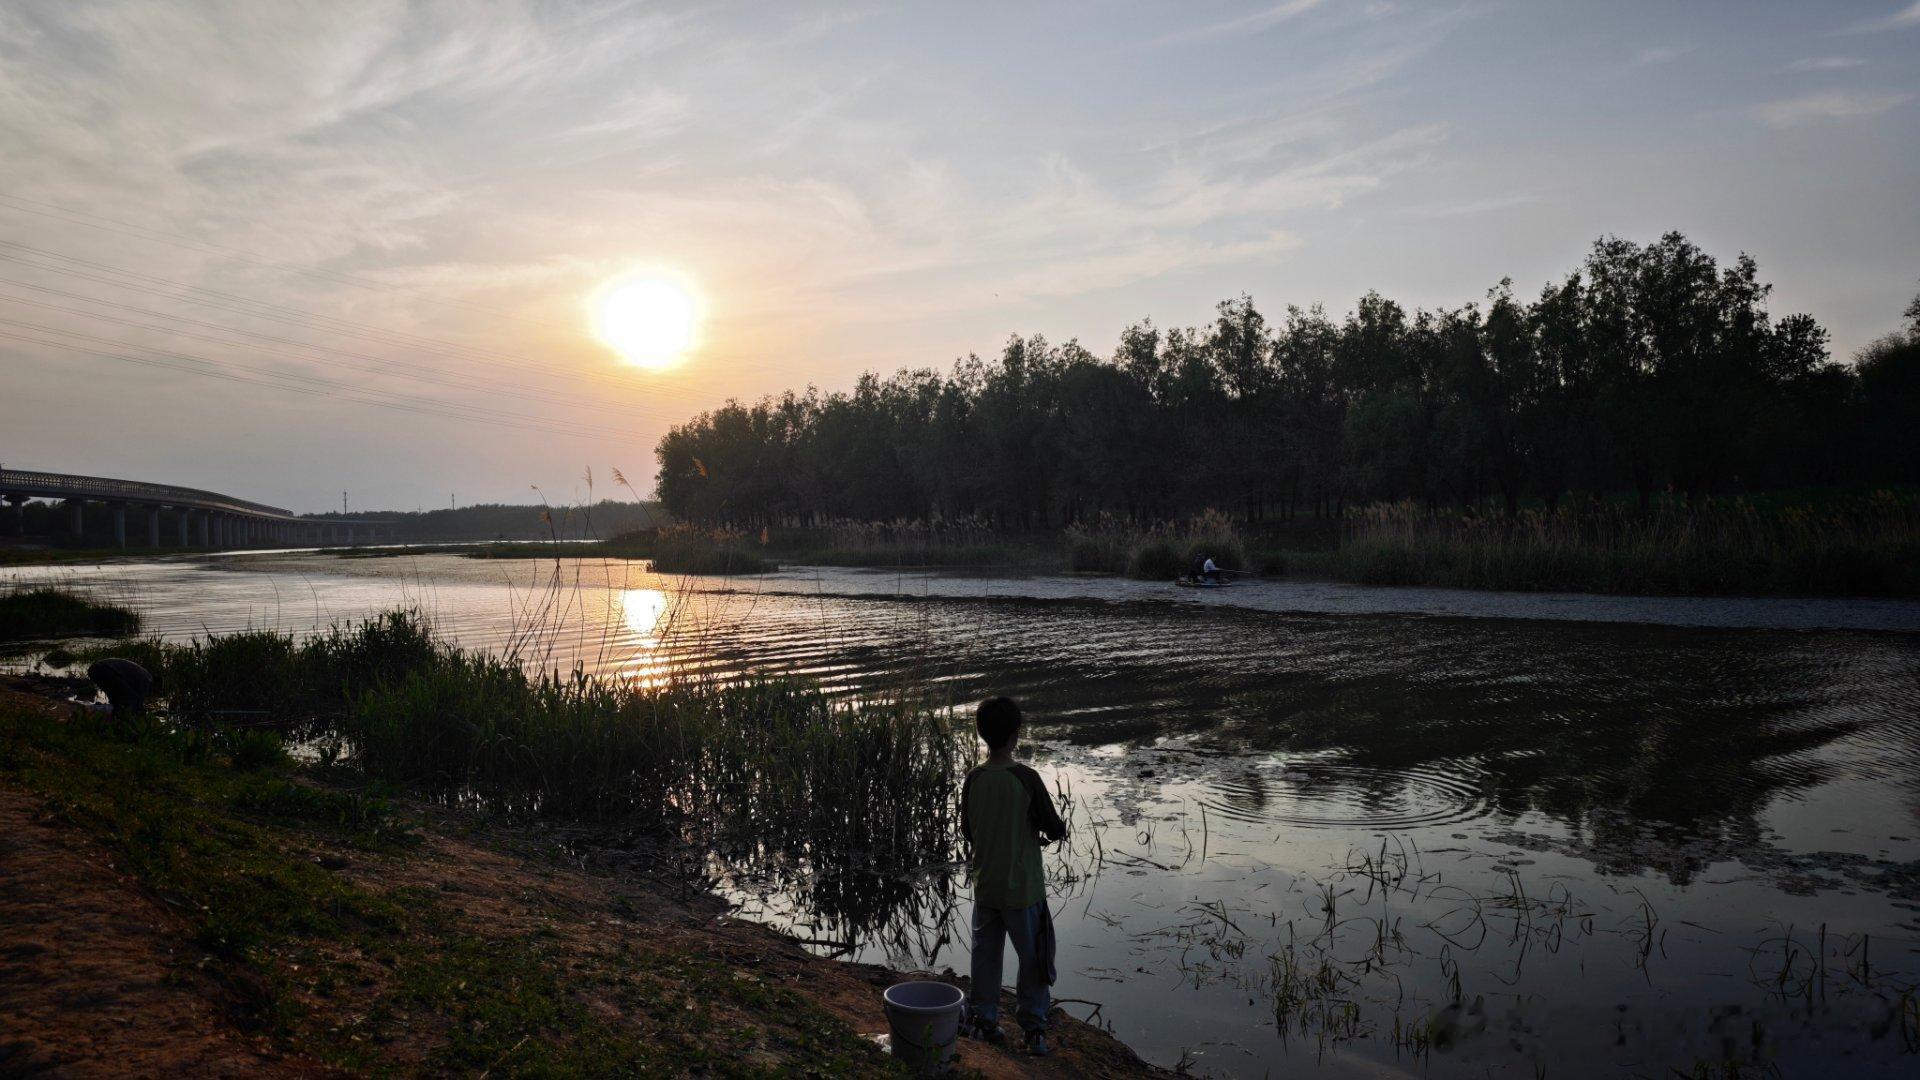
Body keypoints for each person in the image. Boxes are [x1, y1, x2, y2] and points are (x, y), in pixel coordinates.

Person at [962, 696, 1067, 1056]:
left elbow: (968, 830)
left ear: (983, 736)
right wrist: (1047, 831)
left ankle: (983, 1021)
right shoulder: (1026, 778)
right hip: (1023, 889)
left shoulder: (973, 779)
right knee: (1035, 958)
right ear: (1016, 735)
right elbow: (1054, 828)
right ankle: (1034, 1031)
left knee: (986, 957)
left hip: (986, 886)